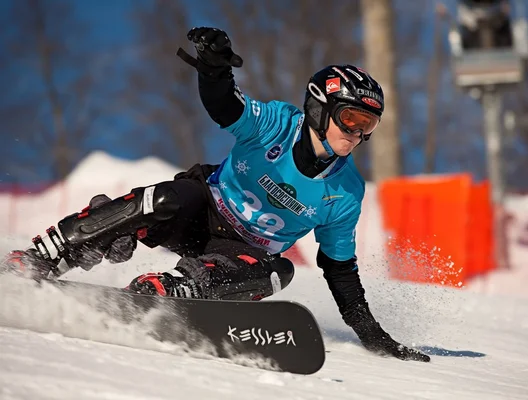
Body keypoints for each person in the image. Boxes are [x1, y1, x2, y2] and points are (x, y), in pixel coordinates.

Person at [5, 27, 430, 362]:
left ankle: (182, 290)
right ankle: (49, 253)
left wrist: (372, 334)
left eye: (368, 125)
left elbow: (339, 269)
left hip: (236, 251)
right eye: (351, 118)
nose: (357, 133)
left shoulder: (346, 192)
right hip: (201, 207)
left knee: (279, 272)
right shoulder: (278, 124)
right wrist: (214, 71)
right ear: (320, 108)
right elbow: (227, 108)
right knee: (165, 198)